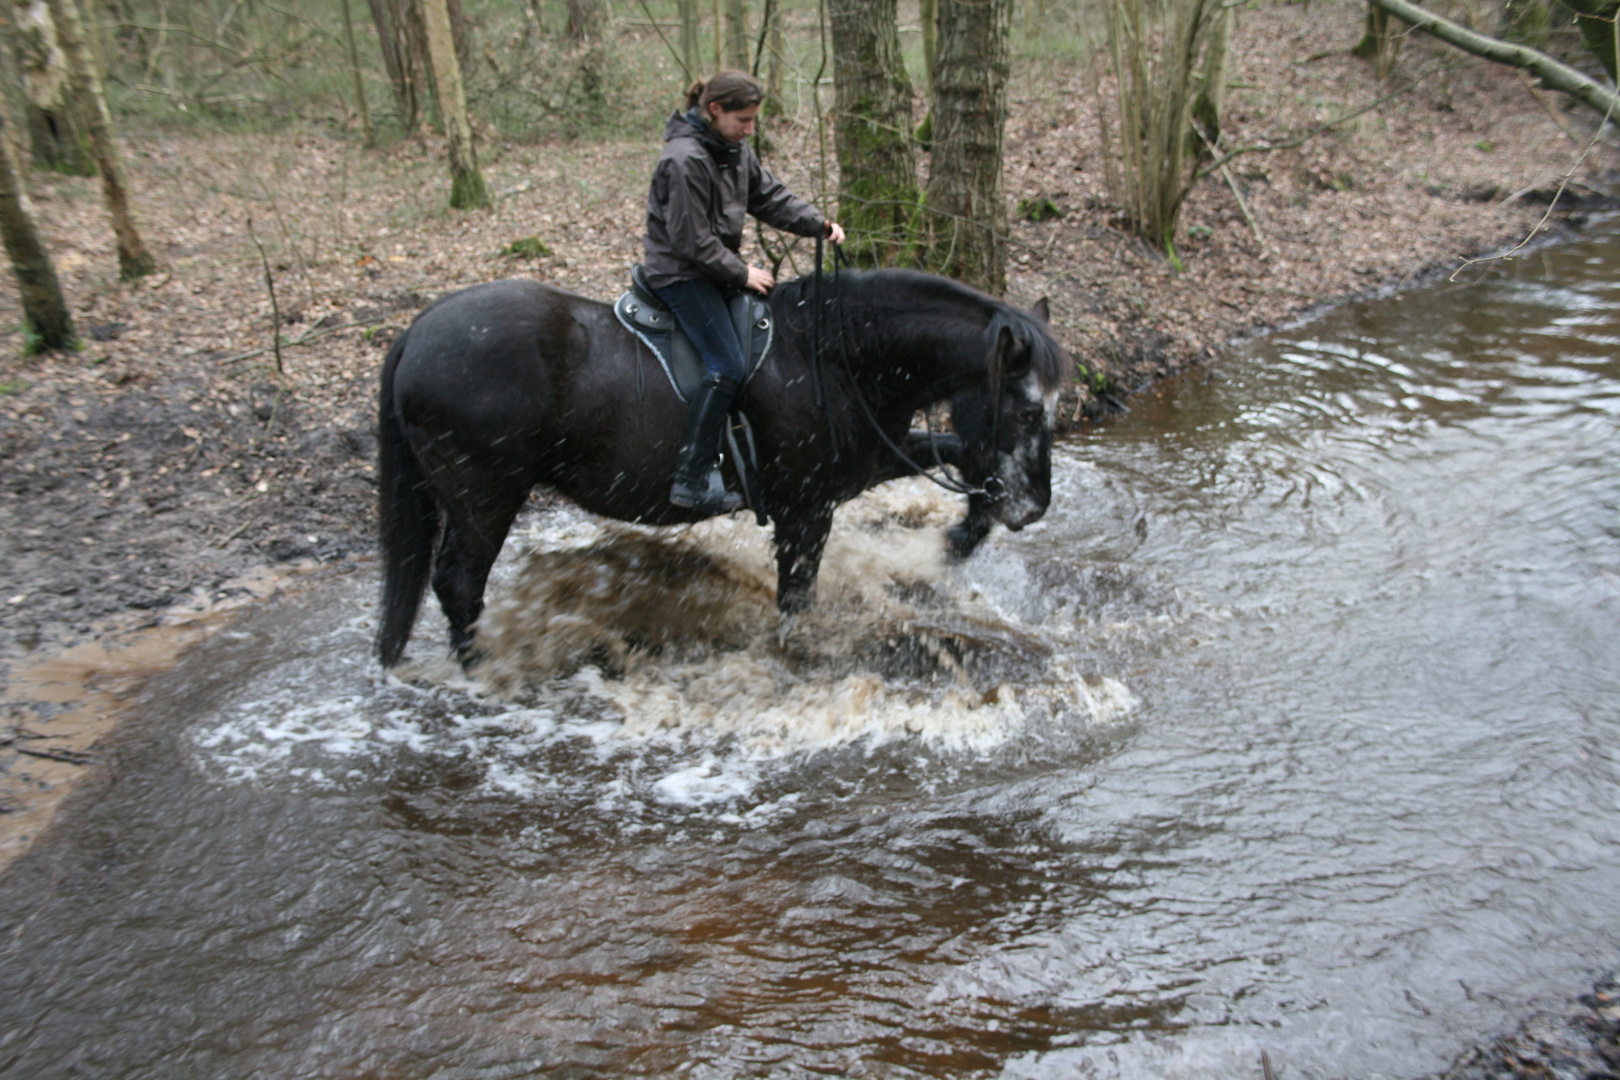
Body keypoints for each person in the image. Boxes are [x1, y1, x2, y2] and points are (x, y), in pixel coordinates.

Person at [644, 70, 846, 513]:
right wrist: (741, 273)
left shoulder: (733, 149)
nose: (751, 128)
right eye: (744, 119)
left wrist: (816, 224)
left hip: (714, 272)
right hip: (680, 275)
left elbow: (769, 196)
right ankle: (690, 478)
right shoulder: (682, 160)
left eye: (755, 119)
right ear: (714, 110)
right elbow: (690, 241)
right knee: (728, 365)